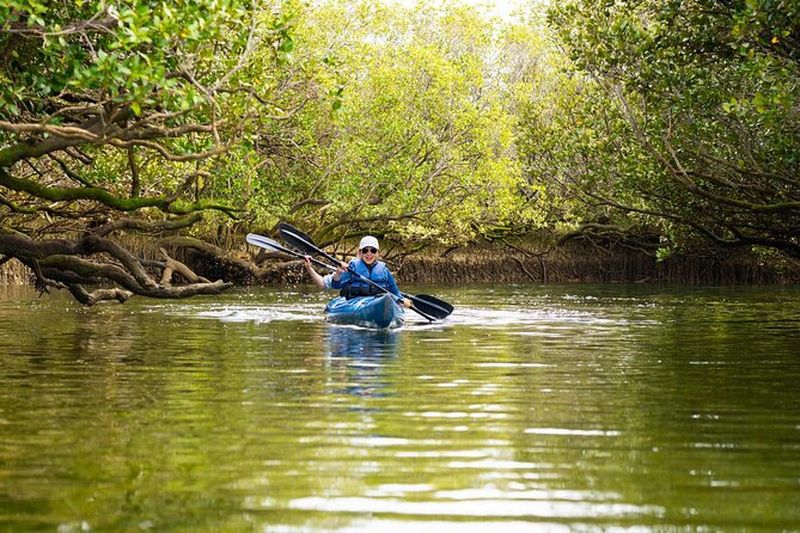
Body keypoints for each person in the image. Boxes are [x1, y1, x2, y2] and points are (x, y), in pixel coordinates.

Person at [304, 235, 412, 308]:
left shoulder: (383, 270)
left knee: (389, 298)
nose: (369, 254)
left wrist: (402, 300)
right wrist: (338, 273)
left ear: (378, 253)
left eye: (373, 250)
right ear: (360, 252)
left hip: (378, 301)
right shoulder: (353, 267)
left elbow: (394, 290)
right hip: (356, 302)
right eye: (365, 250)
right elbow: (335, 285)